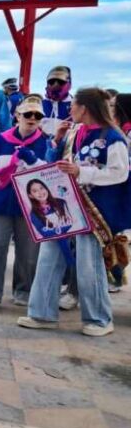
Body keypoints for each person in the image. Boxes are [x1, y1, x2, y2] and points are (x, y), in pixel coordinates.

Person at [19, 88, 130, 337]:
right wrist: (56, 141)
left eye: (74, 105)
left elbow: (120, 173)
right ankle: (42, 313)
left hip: (93, 210)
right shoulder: (73, 132)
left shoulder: (113, 138)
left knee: (89, 266)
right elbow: (54, 162)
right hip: (63, 205)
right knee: (49, 258)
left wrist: (82, 173)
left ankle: (99, 319)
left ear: (85, 108)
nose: (70, 109)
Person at [0, 96, 48, 308]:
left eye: (38, 115)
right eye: (28, 114)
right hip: (1, 204)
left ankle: (25, 292)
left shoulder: (46, 142)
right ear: (17, 115)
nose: (32, 118)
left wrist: (34, 161)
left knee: (29, 252)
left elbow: (50, 173)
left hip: (32, 207)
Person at [41, 65, 72, 137]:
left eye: (60, 82)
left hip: (67, 142)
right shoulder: (40, 104)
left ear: (68, 84)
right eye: (51, 81)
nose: (55, 85)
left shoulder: (75, 106)